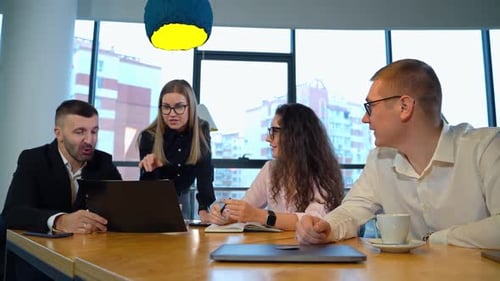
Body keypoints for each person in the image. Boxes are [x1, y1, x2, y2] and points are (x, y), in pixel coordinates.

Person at [296, 58, 500, 249]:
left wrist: (436, 239)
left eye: (370, 107)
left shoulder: (486, 147)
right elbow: (353, 209)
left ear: (404, 107)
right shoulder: (380, 159)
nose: (365, 119)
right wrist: (324, 228)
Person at [1, 99, 122, 280]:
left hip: (87, 259)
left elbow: (122, 210)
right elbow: (12, 213)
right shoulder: (33, 160)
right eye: (80, 132)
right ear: (59, 134)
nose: (89, 140)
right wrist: (60, 221)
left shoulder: (103, 163)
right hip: (38, 262)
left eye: (94, 131)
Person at [208, 103, 345, 230]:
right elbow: (247, 208)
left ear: (295, 135)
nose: (268, 138)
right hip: (276, 249)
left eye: (274, 131)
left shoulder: (323, 172)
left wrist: (260, 216)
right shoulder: (270, 169)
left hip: (313, 252)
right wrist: (224, 215)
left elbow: (314, 221)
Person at [137, 79, 215, 222]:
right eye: (166, 107)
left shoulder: (201, 129)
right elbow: (146, 187)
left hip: (183, 194)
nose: (172, 114)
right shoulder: (149, 136)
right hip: (154, 198)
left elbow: (205, 172)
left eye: (179, 107)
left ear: (190, 107)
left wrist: (204, 208)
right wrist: (152, 169)